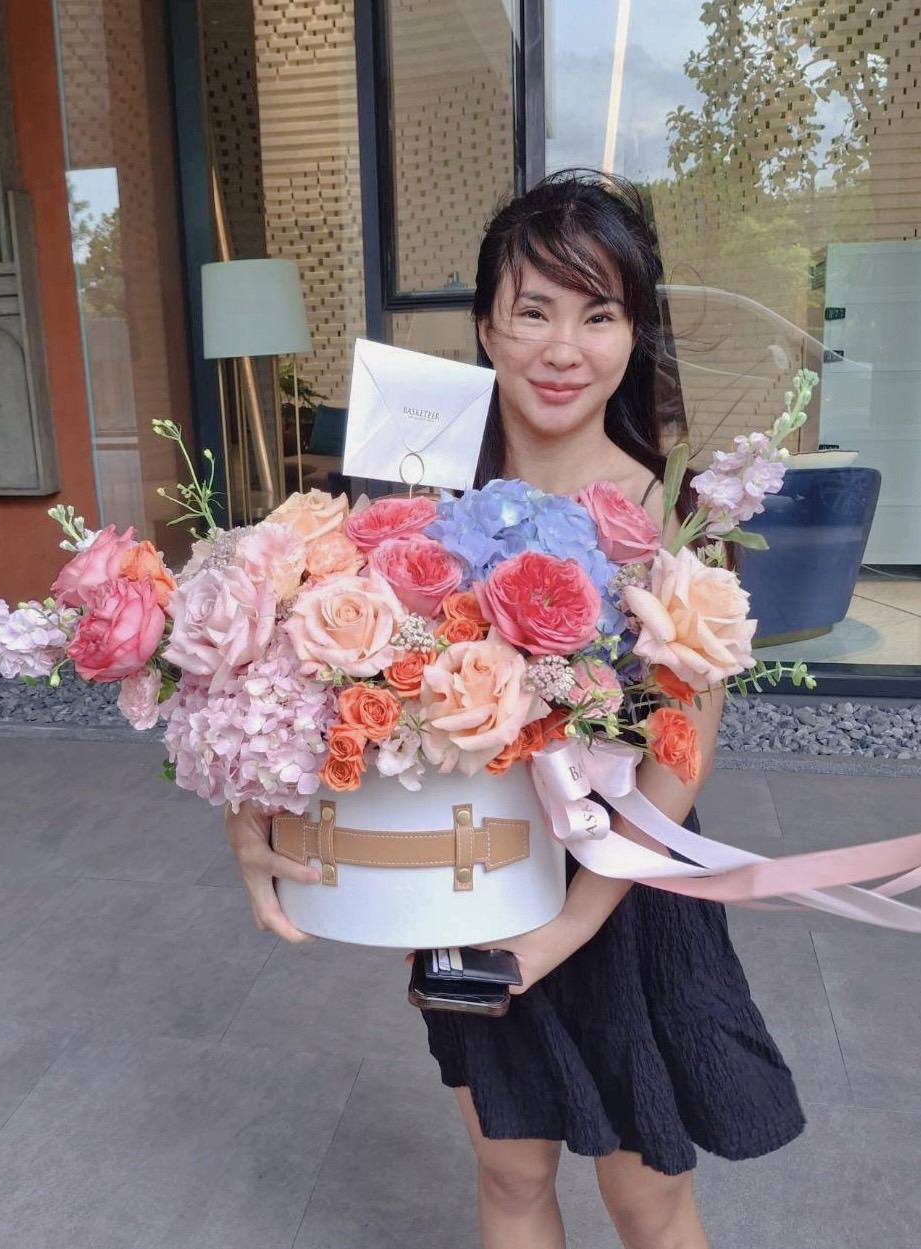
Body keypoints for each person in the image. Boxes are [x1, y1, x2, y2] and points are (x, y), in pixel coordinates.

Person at [224, 170, 805, 1249]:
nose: (561, 346)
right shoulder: (416, 493)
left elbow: (683, 758)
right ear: (487, 324)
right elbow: (309, 682)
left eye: (598, 314)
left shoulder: (667, 516)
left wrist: (565, 927)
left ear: (635, 334)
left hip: (627, 892)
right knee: (507, 1172)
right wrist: (247, 817)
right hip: (469, 881)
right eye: (533, 309)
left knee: (648, 1196)